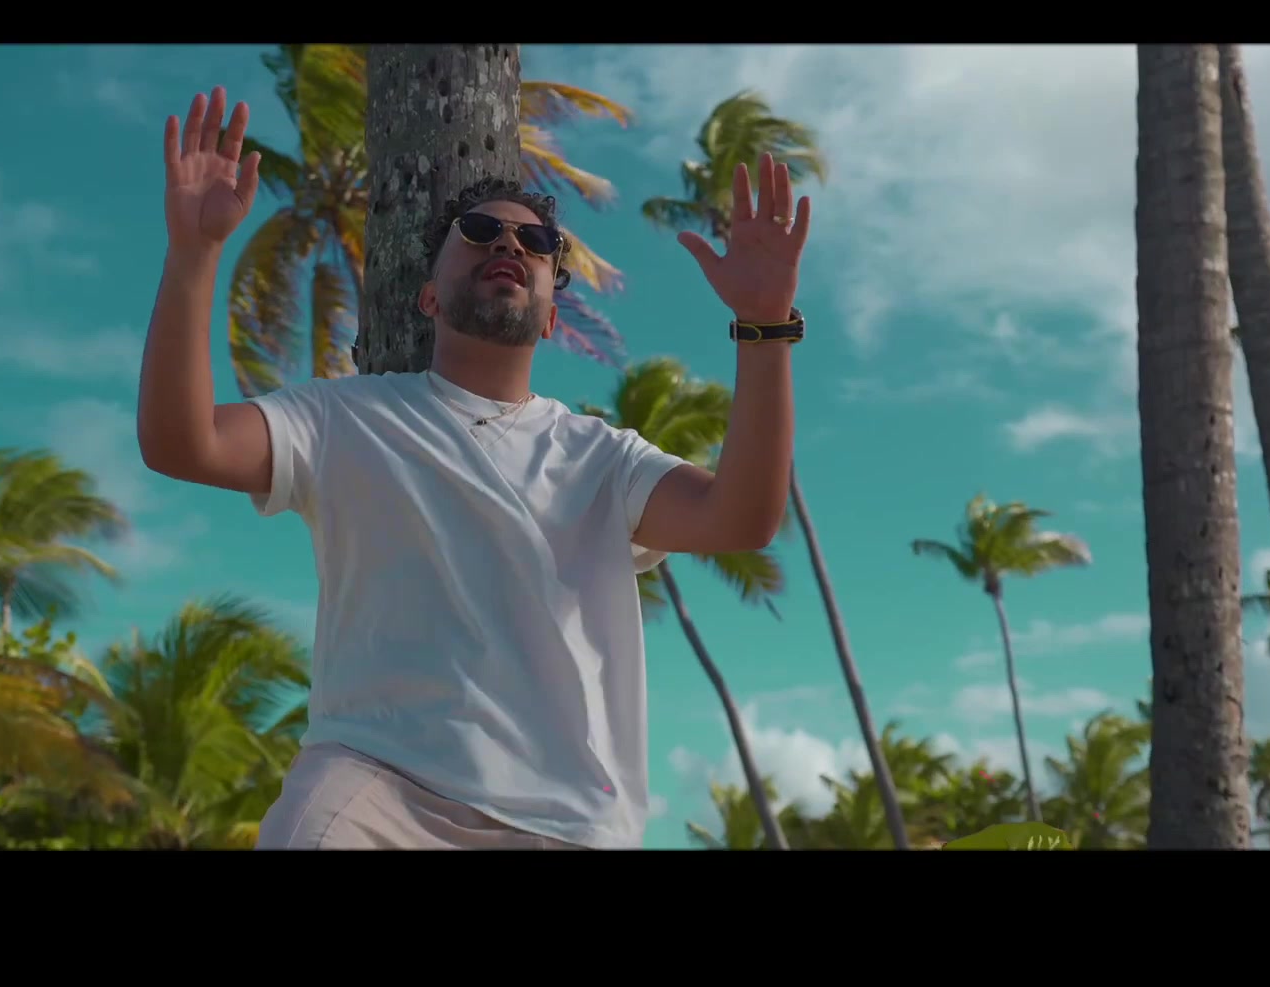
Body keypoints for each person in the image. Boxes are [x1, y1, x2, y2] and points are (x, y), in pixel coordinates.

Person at [136, 86, 808, 850]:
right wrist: (194, 255)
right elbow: (183, 442)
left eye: (536, 242)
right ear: (427, 297)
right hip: (375, 787)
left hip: (566, 821)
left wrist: (765, 325)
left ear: (551, 316)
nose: (508, 246)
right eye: (481, 231)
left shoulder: (605, 459)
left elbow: (742, 518)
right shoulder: (343, 418)